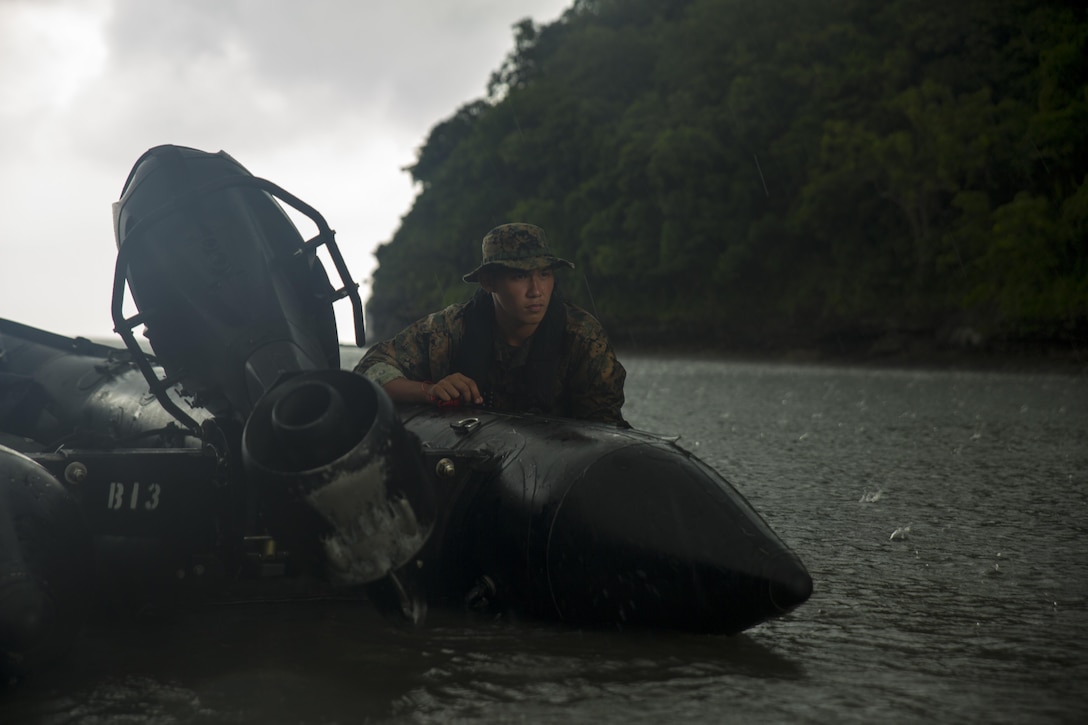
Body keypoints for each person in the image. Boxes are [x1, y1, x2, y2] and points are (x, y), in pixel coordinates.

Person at [354, 223, 628, 426]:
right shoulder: (449, 329)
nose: (536, 291)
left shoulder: (582, 336)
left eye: (544, 274)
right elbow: (369, 369)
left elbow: (604, 427)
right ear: (489, 282)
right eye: (519, 277)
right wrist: (429, 391)